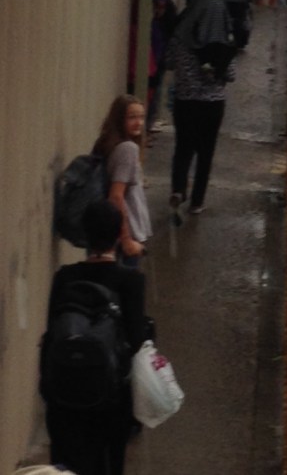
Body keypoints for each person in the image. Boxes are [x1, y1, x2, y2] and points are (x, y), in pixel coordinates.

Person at [42, 200, 147, 475]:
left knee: (65, 466)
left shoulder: (64, 277)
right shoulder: (131, 281)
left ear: (85, 235)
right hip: (110, 399)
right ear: (117, 235)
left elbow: (52, 332)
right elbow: (137, 341)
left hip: (64, 395)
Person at [165, 0, 236, 215]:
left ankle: (178, 189)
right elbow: (231, 75)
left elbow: (168, 63)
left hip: (185, 101)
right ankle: (197, 201)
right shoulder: (224, 43)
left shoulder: (181, 37)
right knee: (206, 152)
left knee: (183, 147)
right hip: (213, 105)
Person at [93, 95, 152, 266]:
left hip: (108, 234)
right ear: (120, 119)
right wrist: (126, 240)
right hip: (126, 235)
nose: (138, 123)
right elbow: (116, 196)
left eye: (141, 117)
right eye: (132, 117)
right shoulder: (128, 149)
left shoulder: (107, 143)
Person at [146, 0, 178, 133]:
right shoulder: (166, 9)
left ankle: (149, 124)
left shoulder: (166, 11)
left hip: (158, 57)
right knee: (154, 91)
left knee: (155, 90)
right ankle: (148, 125)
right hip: (156, 57)